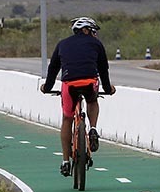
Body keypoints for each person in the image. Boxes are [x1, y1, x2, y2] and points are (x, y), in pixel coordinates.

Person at [41, 16, 115, 177]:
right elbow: (103, 69)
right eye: (93, 31)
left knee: (67, 119)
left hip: (69, 84)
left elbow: (53, 69)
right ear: (86, 30)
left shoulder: (62, 44)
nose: (95, 35)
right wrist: (108, 88)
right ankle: (93, 129)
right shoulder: (97, 44)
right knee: (92, 101)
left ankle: (65, 161)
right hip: (90, 81)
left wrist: (46, 87)